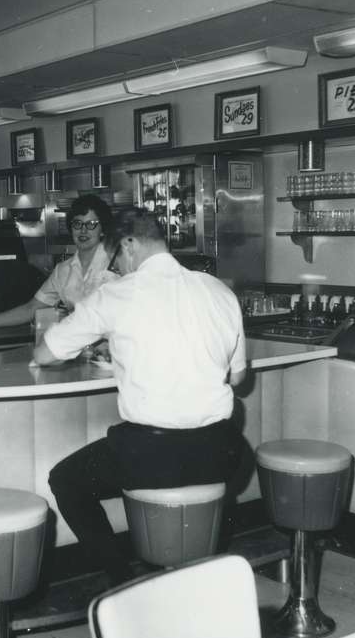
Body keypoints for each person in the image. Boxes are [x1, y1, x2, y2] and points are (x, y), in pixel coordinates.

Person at [33, 208, 247, 584]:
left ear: (129, 244)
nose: (118, 264)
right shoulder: (218, 290)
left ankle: (120, 580)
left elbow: (45, 353)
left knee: (65, 480)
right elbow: (239, 376)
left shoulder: (117, 294)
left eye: (116, 255)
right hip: (223, 452)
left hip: (151, 455)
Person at [0, 195, 117, 328]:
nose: (83, 231)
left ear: (103, 230)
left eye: (91, 224)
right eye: (77, 224)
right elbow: (31, 309)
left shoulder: (116, 263)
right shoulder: (63, 270)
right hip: (78, 343)